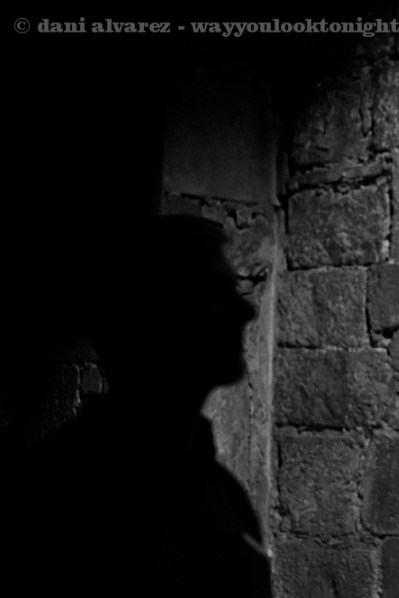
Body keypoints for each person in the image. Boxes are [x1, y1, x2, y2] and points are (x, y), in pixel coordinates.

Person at [3, 215, 272, 598]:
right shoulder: (55, 502)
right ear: (155, 320)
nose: (247, 311)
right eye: (215, 294)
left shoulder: (225, 498)